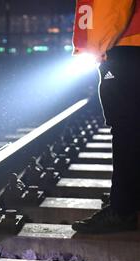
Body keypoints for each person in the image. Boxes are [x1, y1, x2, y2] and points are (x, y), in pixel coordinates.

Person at [71, 0, 140, 233]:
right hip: (130, 41)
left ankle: (124, 210)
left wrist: (96, 45)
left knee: (126, 126)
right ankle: (129, 197)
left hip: (126, 44)